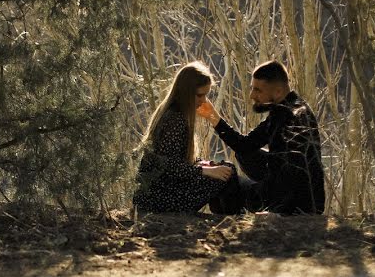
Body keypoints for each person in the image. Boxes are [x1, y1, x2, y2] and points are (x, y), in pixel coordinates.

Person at [197, 60, 326, 215]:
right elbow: (245, 145)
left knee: (224, 178)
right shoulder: (290, 107)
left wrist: (277, 212)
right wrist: (214, 118)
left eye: (258, 90)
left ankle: (230, 223)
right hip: (298, 197)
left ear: (277, 92)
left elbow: (291, 175)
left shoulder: (287, 116)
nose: (252, 95)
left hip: (292, 203)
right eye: (252, 88)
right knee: (243, 153)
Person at [133, 61, 241, 214]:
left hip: (160, 193)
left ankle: (226, 216)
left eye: (206, 95)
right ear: (186, 92)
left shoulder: (177, 114)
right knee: (228, 173)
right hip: (158, 199)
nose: (204, 101)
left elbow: (179, 159)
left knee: (225, 169)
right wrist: (205, 171)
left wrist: (207, 165)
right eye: (200, 95)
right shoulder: (174, 119)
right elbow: (166, 166)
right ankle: (231, 219)